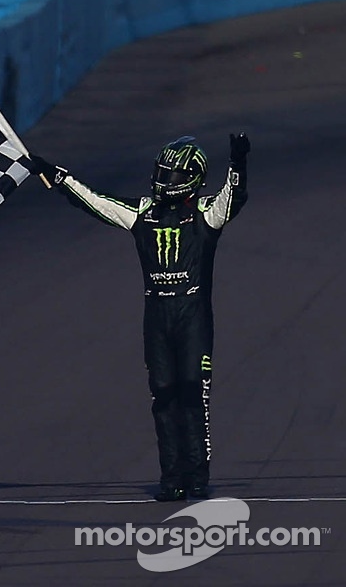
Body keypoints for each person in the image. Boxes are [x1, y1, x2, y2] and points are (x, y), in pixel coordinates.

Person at [24, 133, 250, 501]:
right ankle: (171, 476)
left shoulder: (207, 213)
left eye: (173, 175)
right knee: (163, 397)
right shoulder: (142, 212)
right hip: (157, 319)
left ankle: (197, 474)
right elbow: (95, 202)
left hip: (193, 317)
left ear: (191, 179)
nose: (164, 181)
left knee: (194, 394)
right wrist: (57, 176)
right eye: (162, 172)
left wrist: (238, 161)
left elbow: (234, 196)